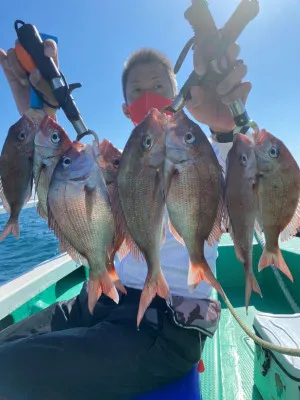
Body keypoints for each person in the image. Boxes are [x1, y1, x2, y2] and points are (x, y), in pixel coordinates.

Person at [0, 25, 251, 400]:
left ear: (179, 94)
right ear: (125, 109)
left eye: (159, 87)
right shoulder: (119, 162)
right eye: (136, 90)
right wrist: (38, 117)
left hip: (170, 327)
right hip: (109, 298)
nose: (148, 96)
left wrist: (226, 129)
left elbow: (242, 172)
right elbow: (64, 179)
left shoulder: (202, 151)